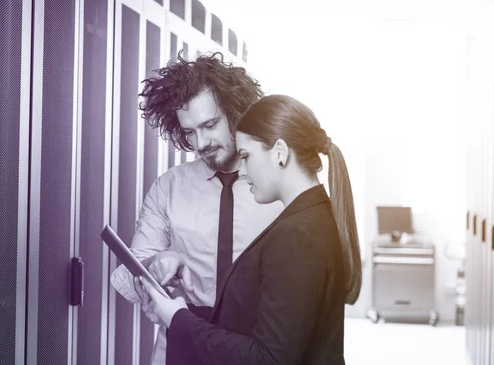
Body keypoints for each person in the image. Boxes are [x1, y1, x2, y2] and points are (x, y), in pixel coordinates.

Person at [136, 94, 363, 364]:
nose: (241, 171)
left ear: (279, 153)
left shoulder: (297, 233)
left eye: (246, 156)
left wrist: (177, 319)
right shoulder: (311, 218)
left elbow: (268, 358)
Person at [110, 52, 283, 365]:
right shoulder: (170, 187)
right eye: (189, 131)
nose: (200, 143)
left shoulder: (278, 186)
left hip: (257, 349)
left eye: (210, 125)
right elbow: (128, 271)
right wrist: (153, 267)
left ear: (237, 112)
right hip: (181, 347)